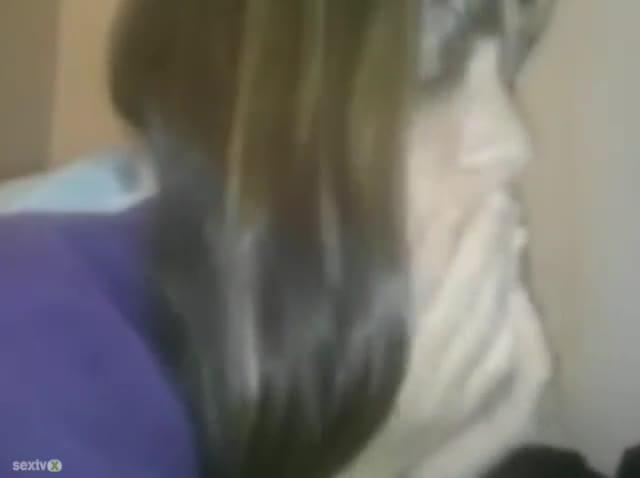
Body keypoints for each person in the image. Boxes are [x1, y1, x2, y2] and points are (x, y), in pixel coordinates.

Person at [0, 1, 555, 477]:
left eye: (506, 76)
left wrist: (449, 456)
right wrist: (379, 465)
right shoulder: (29, 324)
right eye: (433, 77)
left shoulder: (328, 340)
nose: (514, 143)